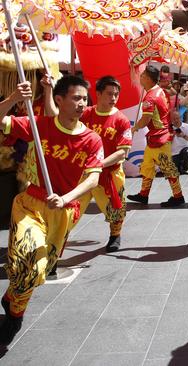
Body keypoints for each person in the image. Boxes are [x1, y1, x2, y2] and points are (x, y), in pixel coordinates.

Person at [0, 76, 105, 345]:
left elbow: (93, 179)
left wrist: (66, 198)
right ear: (59, 100)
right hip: (30, 205)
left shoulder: (92, 140)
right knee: (28, 261)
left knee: (38, 273)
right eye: (76, 98)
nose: (82, 103)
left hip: (63, 212)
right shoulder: (40, 126)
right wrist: (13, 99)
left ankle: (12, 298)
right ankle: (14, 318)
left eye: (85, 98)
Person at [78, 76, 132, 253]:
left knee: (116, 209)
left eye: (116, 94)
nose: (113, 98)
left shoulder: (121, 120)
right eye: (109, 94)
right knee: (70, 209)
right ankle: (58, 241)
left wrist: (98, 164)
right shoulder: (85, 114)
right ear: (98, 94)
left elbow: (122, 152)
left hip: (110, 173)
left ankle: (115, 235)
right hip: (83, 174)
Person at [127, 65, 185, 207]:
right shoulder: (160, 91)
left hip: (159, 138)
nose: (140, 78)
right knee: (147, 166)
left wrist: (135, 127)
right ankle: (143, 194)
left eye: (142, 76)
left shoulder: (150, 97)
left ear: (146, 78)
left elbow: (146, 119)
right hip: (157, 137)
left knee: (168, 169)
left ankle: (178, 196)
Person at [170, 109, 188, 174]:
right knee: (175, 170)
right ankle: (180, 166)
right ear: (171, 119)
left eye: (177, 118)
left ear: (180, 118)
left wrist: (183, 136)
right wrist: (172, 136)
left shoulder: (186, 126)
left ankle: (187, 168)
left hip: (184, 148)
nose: (176, 120)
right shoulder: (169, 128)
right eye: (174, 119)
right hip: (173, 152)